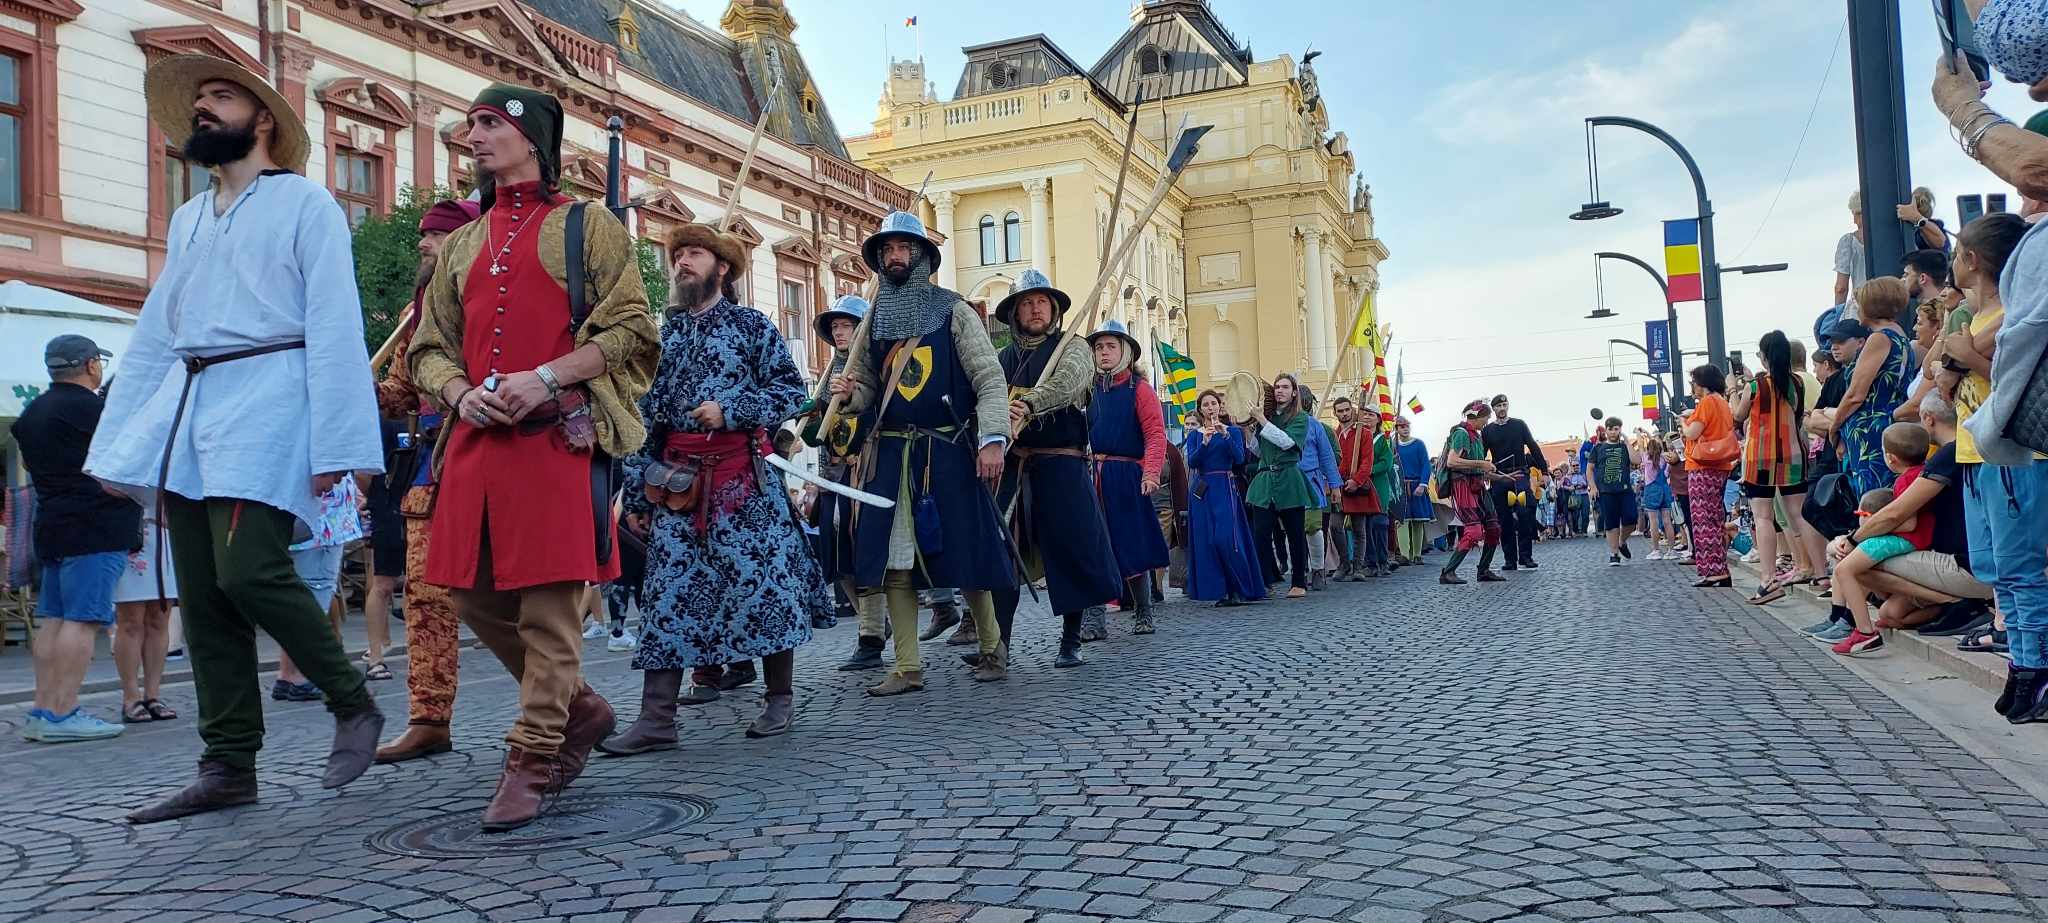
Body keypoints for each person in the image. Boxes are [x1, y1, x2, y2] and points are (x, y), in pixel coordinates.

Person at [87, 56, 386, 822]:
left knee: (248, 569)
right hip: (192, 407)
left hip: (274, 399)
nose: (202, 109)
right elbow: (157, 332)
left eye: (219, 97)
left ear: (262, 118)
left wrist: (342, 447)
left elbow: (333, 324)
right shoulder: (190, 217)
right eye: (198, 101)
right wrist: (118, 443)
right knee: (204, 592)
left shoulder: (306, 205)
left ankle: (350, 698)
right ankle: (227, 763)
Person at [404, 84, 659, 830]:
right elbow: (427, 350)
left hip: (558, 439)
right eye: (472, 125)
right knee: (471, 591)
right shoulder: (460, 243)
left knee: (550, 613)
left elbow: (635, 332)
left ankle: (537, 753)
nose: (473, 136)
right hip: (476, 446)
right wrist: (456, 392)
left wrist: (547, 375)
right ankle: (579, 710)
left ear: (531, 139)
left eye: (489, 124)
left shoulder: (590, 225)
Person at [600, 221, 828, 754]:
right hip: (676, 486)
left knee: (761, 586)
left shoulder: (752, 327)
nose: (681, 262)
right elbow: (645, 418)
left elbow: (791, 392)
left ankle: (779, 699)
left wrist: (731, 410)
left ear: (722, 268)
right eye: (677, 254)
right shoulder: (664, 334)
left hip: (742, 481)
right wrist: (636, 495)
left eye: (695, 254)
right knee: (666, 596)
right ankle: (657, 719)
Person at [826, 211, 1012, 697]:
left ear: (923, 257)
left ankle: (993, 646)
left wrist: (992, 440)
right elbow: (869, 389)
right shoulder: (874, 320)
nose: (895, 257)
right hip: (889, 454)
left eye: (903, 249)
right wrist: (848, 392)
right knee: (895, 561)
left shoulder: (953, 311)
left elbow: (989, 379)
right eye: (887, 250)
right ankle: (907, 666)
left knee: (963, 554)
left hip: (947, 452)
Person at [369, 197, 479, 764]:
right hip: (431, 475)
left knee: (520, 604)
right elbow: (401, 396)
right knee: (425, 599)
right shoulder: (415, 318)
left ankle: (563, 709)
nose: (422, 245)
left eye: (434, 237)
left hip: (492, 463)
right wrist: (357, 388)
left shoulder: (489, 306)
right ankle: (429, 718)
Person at [990, 268, 1124, 666]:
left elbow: (1068, 384)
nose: (1035, 309)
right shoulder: (1002, 359)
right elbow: (985, 397)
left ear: (1053, 310)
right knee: (1003, 555)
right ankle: (1000, 647)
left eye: (1041, 302)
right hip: (1014, 468)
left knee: (1069, 553)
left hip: (1061, 466)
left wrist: (1029, 404)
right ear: (1015, 312)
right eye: (1027, 303)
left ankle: (1071, 640)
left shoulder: (1074, 348)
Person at [14, 335, 137, 742]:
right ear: (90, 365)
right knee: (83, 621)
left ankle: (43, 708)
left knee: (54, 619)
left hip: (53, 522)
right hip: (95, 526)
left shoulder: (35, 411)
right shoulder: (96, 411)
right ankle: (63, 710)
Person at [1810, 393, 1993, 641]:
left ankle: (1850, 621)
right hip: (1978, 561)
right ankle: (1950, 605)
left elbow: (1898, 514)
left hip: (1964, 564)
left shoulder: (1947, 456)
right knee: (1890, 612)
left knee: (1855, 560)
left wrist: (1854, 538)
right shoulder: (1970, 450)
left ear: (1929, 419)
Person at [800, 295, 888, 672]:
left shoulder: (874, 367)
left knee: (870, 554)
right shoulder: (828, 376)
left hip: (867, 474)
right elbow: (815, 437)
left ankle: (873, 636)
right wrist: (810, 411)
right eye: (834, 326)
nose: (838, 332)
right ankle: (873, 625)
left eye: (846, 325)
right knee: (839, 561)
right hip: (835, 477)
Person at [1085, 319, 1170, 633]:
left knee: (1132, 545)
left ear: (1124, 351)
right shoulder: (1087, 389)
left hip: (1126, 477)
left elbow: (1155, 435)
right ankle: (1094, 621)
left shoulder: (1140, 389)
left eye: (1110, 346)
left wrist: (1150, 473)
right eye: (1098, 347)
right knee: (1092, 548)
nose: (1104, 352)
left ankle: (1143, 612)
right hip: (1091, 475)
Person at [1732, 331, 1828, 604]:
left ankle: (1768, 580)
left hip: (1760, 457)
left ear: (1763, 357)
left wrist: (1733, 389)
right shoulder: (1796, 384)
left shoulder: (1754, 387)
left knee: (1763, 517)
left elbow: (1738, 417)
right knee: (1799, 515)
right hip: (1793, 454)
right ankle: (1821, 574)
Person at [1824, 423, 1936, 657]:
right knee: (1852, 566)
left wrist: (1877, 526)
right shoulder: (1921, 473)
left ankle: (1864, 631)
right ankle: (1851, 620)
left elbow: (1908, 523)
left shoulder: (1906, 480)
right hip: (1916, 539)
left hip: (1907, 538)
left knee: (1845, 569)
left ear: (1891, 458)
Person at [1824, 277, 1917, 496]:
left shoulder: (1879, 339)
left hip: (1869, 428)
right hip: (1891, 421)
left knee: (1871, 495)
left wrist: (1834, 426)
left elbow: (1856, 394)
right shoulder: (1901, 337)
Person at [1183, 391, 1265, 606]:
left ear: (1220, 407)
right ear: (1201, 409)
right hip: (1202, 490)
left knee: (1226, 539)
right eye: (1206, 404)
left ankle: (1240, 586)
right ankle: (1220, 590)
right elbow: (1192, 462)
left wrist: (1226, 436)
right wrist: (1205, 443)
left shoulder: (1234, 432)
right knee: (1208, 540)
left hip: (1225, 487)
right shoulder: (1195, 435)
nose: (1210, 408)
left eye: (1214, 403)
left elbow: (1239, 458)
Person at [1245, 374, 1316, 597]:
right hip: (1265, 480)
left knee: (1295, 534)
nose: (1279, 391)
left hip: (1289, 479)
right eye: (1276, 387)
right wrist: (1248, 428)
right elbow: (1258, 450)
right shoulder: (1266, 417)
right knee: (1261, 534)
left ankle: (1298, 582)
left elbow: (1287, 443)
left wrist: (1262, 422)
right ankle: (1264, 582)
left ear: (1294, 392)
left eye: (1285, 387)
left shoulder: (1300, 418)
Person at [111, 505, 177, 725]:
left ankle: (153, 695)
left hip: (166, 532)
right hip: (132, 529)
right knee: (131, 620)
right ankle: (131, 697)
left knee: (160, 618)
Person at [1438, 400, 1506, 584]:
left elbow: (1477, 468)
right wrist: (1482, 464)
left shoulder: (1476, 436)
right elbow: (1452, 462)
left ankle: (1483, 571)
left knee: (1493, 529)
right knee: (1474, 532)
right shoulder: (1461, 433)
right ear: (1476, 416)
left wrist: (1499, 477)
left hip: (1477, 486)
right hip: (1463, 487)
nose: (1487, 421)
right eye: (1486, 417)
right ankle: (1448, 572)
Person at [1681, 365, 1738, 588]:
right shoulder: (1722, 402)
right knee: (1714, 516)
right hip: (1721, 464)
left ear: (1701, 383)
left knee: (1703, 519)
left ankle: (1714, 570)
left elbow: (1692, 433)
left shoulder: (1707, 402)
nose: (1692, 387)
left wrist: (1684, 423)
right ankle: (1719, 568)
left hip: (1703, 465)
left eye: (1693, 382)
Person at [1482, 394, 1548, 570]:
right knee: (1504, 520)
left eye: (1504, 405)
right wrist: (1481, 472)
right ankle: (1509, 559)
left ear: (1508, 406)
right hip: (1500, 478)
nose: (1502, 408)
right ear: (1494, 409)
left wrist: (1545, 471)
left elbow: (1533, 446)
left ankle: (1526, 557)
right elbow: (1481, 455)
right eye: (1498, 406)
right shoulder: (1487, 431)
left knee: (1525, 514)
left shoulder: (1519, 424)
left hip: (1520, 474)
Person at [1332, 397, 1382, 580]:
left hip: (1357, 486)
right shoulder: (1334, 434)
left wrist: (1357, 481)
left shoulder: (1365, 433)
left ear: (1352, 410)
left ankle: (1358, 568)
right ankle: (1344, 563)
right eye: (1340, 411)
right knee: (1335, 526)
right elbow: (1331, 461)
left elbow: (1368, 461)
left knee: (1359, 529)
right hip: (1339, 485)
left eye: (1347, 410)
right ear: (1335, 413)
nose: (1344, 413)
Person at [1585, 417, 1638, 567]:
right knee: (1611, 523)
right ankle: (1614, 554)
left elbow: (1637, 460)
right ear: (1606, 430)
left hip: (1625, 489)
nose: (1614, 432)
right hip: (1606, 491)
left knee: (1631, 519)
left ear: (1620, 430)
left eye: (1616, 429)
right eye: (1611, 429)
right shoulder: (1598, 448)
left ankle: (1622, 541)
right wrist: (1593, 487)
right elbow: (1589, 469)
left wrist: (1627, 442)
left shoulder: (1624, 447)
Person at [1393, 416, 1434, 565]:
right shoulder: (1393, 446)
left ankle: (1417, 554)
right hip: (1400, 487)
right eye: (1402, 426)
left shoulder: (1418, 444)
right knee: (1401, 521)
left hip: (1417, 485)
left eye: (1407, 426)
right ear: (1397, 429)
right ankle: (1405, 555)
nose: (1405, 429)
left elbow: (1425, 465)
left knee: (1418, 522)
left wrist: (1423, 484)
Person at [1638, 437, 1680, 561]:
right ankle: (1671, 550)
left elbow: (1640, 445)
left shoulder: (1646, 458)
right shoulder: (1665, 459)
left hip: (1651, 490)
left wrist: (1639, 434)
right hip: (1665, 489)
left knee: (1653, 522)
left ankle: (1656, 550)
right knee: (1667, 520)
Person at [1834, 191, 1868, 308]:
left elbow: (1841, 287)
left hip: (1861, 307)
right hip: (1890, 307)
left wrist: (1837, 314)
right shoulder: (1890, 237)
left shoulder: (1848, 241)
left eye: (1854, 214)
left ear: (1860, 214)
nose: (1854, 220)